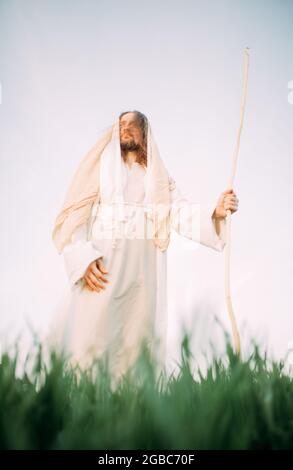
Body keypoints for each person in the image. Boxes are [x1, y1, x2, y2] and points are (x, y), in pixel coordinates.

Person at [49, 110, 239, 385]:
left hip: (143, 273)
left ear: (146, 135)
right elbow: (75, 219)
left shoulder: (156, 178)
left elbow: (179, 212)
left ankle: (134, 412)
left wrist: (217, 210)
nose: (126, 129)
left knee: (137, 341)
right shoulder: (99, 168)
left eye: (134, 124)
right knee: (91, 337)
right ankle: (84, 410)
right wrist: (83, 259)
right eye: (122, 124)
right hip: (102, 266)